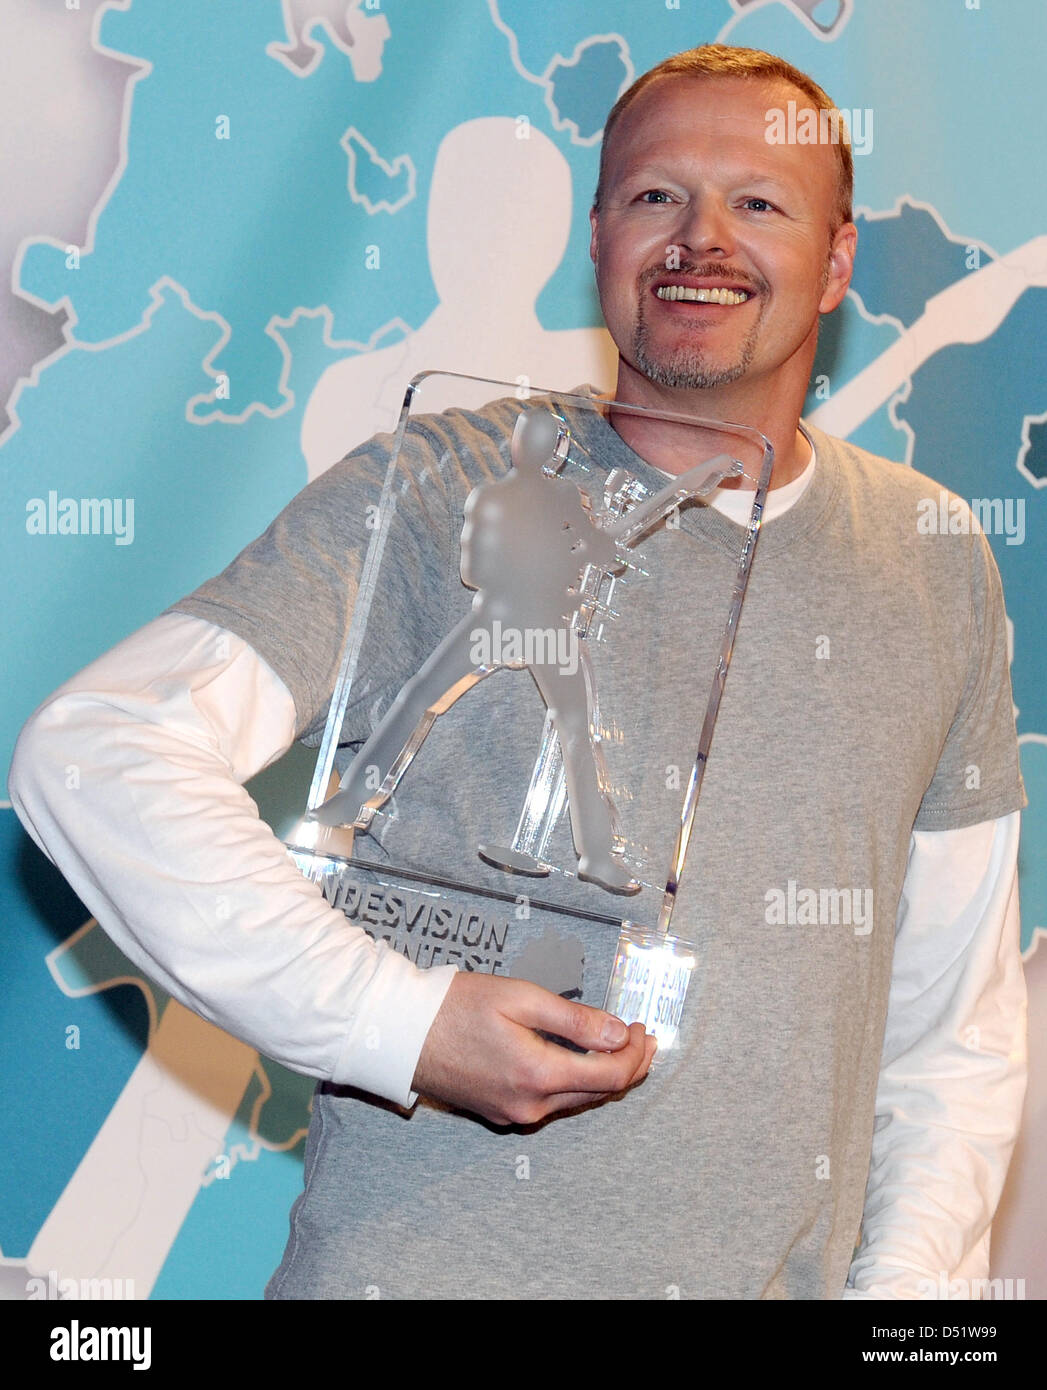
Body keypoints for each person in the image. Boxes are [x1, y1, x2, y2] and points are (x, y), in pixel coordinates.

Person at [9, 45, 1027, 1300]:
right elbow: (98, 749)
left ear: (838, 258)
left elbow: (952, 1034)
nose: (699, 239)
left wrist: (911, 1297)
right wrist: (403, 1024)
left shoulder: (934, 563)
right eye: (657, 196)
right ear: (598, 234)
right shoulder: (433, 486)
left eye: (758, 202)